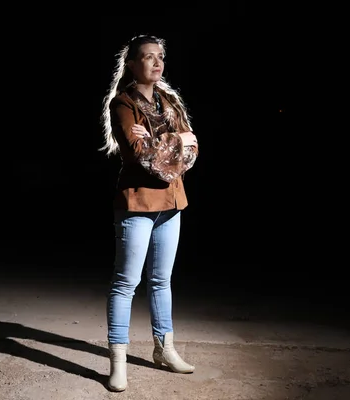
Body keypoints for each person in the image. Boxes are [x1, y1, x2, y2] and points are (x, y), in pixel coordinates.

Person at [99, 34, 199, 392]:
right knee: (126, 283)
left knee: (161, 281)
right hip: (137, 204)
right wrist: (172, 143)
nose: (156, 63)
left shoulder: (169, 100)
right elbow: (139, 156)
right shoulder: (123, 104)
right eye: (148, 57)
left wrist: (161, 145)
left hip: (172, 203)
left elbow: (193, 149)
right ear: (131, 64)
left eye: (160, 57)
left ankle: (164, 349)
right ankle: (119, 362)